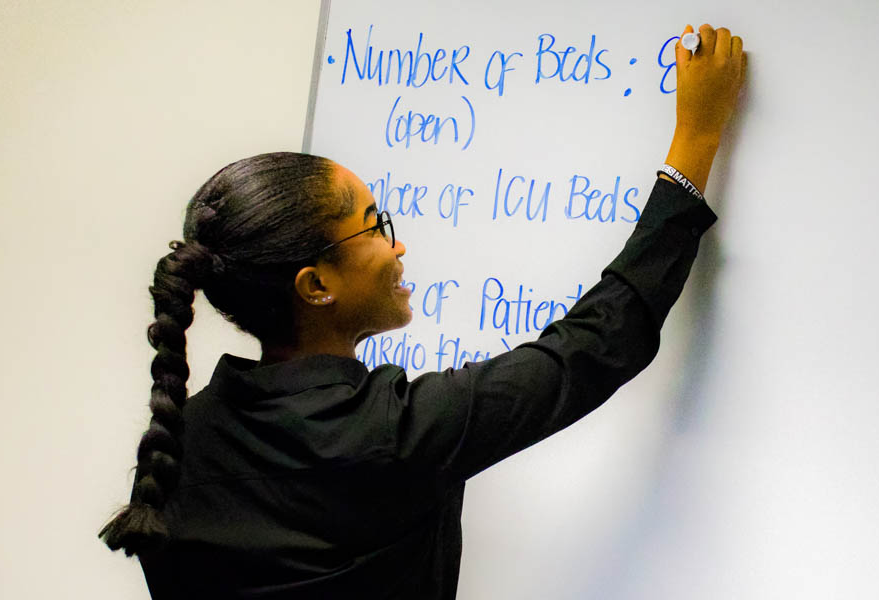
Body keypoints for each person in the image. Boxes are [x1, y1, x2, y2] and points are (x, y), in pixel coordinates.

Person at [100, 23, 746, 599]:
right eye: (374, 225)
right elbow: (597, 343)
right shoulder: (393, 434)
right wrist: (696, 138)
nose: (398, 243)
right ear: (315, 284)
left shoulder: (176, 451)